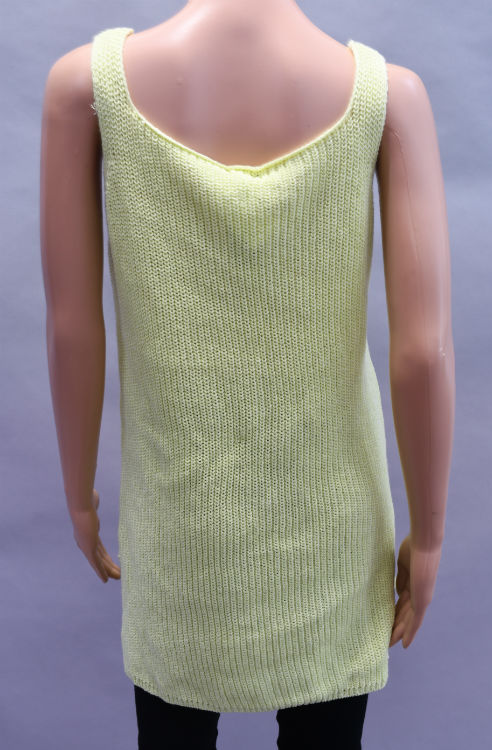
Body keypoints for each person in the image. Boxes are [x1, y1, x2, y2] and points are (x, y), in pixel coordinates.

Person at [40, 0, 454, 747]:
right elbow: (424, 352)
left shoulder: (86, 89)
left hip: (178, 534)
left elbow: (72, 328)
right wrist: (429, 535)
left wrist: (78, 498)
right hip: (333, 538)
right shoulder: (391, 98)